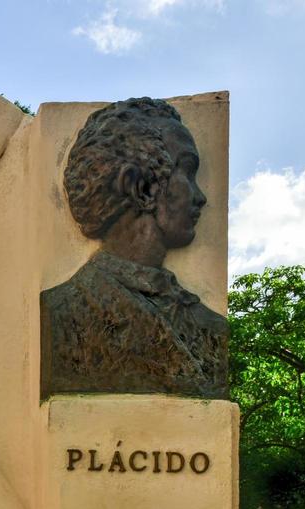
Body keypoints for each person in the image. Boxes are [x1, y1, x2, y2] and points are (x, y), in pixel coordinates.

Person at [40, 97, 227, 399]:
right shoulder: (58, 314)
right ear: (141, 188)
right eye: (188, 173)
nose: (200, 196)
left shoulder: (210, 326)